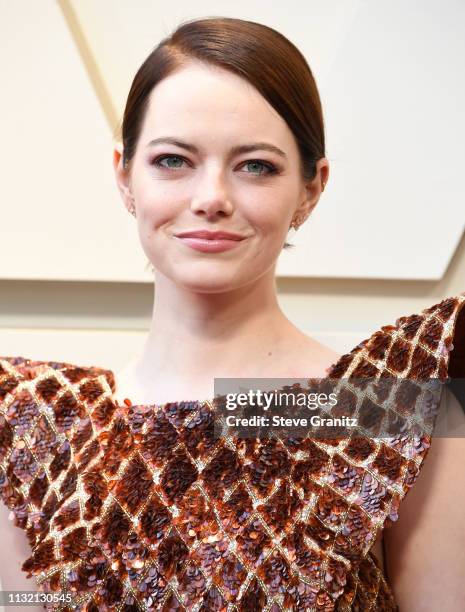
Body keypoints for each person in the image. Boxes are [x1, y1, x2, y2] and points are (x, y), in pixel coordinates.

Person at [0, 16, 464, 611]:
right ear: (124, 176)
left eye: (256, 166)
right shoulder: (38, 422)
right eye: (173, 160)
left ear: (311, 188)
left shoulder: (387, 405)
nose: (212, 197)